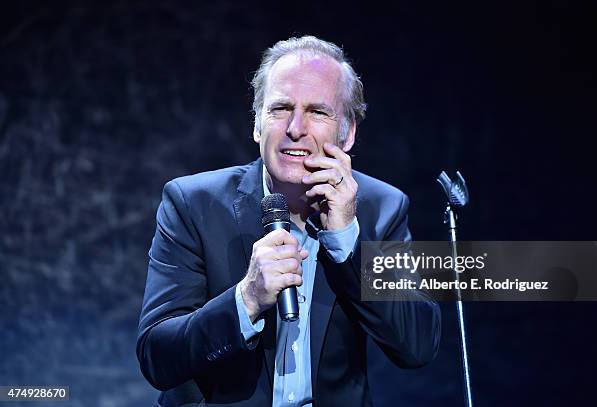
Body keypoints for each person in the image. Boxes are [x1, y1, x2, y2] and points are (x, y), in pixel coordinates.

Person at [137, 35, 441, 407]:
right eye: (280, 108)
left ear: (347, 133)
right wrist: (246, 299)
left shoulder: (382, 209)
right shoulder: (192, 203)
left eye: (318, 111)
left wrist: (347, 241)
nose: (296, 127)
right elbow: (157, 357)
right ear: (257, 125)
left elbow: (417, 346)